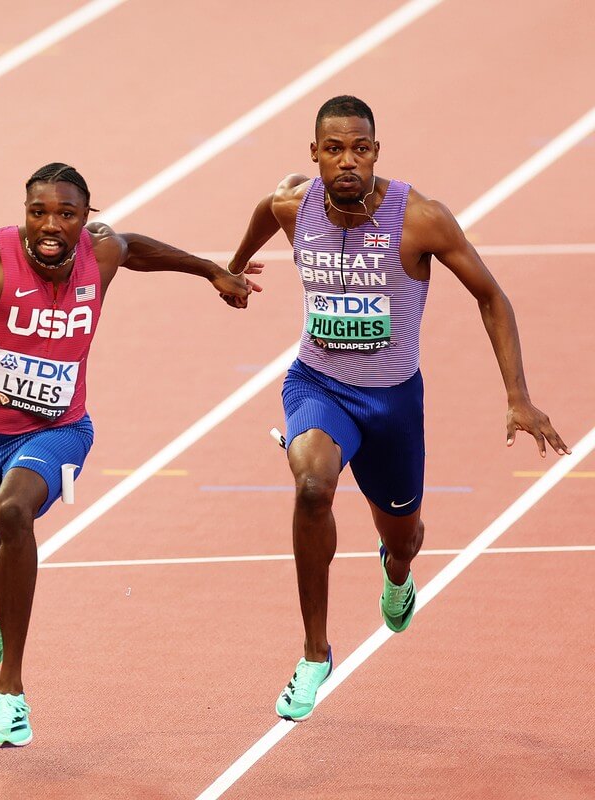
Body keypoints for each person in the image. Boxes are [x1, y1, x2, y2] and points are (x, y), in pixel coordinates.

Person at [0, 163, 259, 746]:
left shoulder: (100, 253)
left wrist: (212, 270)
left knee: (15, 512)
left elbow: (138, 249)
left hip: (60, 430)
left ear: (87, 217)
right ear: (24, 213)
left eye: (66, 213)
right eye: (38, 212)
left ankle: (10, 689)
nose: (51, 225)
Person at [225, 96, 570, 722]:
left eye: (360, 148)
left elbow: (491, 296)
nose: (347, 160)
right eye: (334, 149)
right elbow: (262, 213)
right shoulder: (291, 205)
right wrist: (232, 266)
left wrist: (517, 395)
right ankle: (314, 652)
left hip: (391, 404)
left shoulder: (420, 218)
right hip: (317, 385)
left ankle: (397, 571)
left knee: (403, 535)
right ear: (315, 155)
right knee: (310, 487)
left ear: (376, 152)